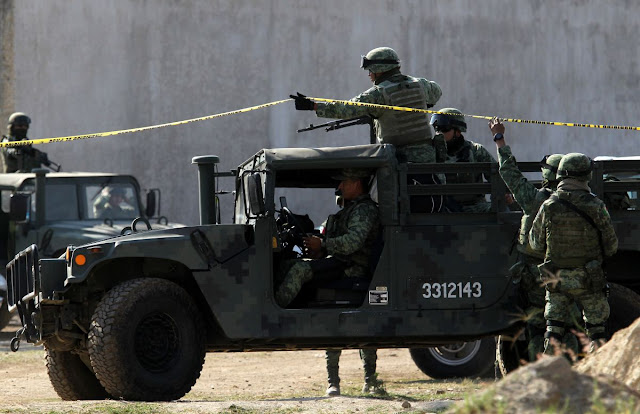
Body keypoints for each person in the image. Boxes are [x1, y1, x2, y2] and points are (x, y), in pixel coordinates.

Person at [274, 168, 383, 395]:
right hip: (339, 263)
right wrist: (318, 247)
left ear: (357, 183)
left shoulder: (365, 210)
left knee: (299, 271)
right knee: (291, 266)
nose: (340, 187)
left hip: (353, 270)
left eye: (344, 182)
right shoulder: (349, 210)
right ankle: (335, 381)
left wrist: (322, 245)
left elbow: (353, 242)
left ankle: (272, 314)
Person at [490, 117, 566, 359]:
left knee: (536, 321)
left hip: (535, 272)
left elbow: (510, 173)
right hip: (565, 271)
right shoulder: (576, 201)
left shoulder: (536, 201)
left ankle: (541, 365)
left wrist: (500, 139)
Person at [290, 46, 443, 164]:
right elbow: (437, 92)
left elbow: (347, 108)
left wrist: (314, 106)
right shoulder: (420, 84)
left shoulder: (378, 94)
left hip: (400, 160)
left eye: (370, 70)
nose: (369, 74)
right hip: (428, 159)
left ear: (379, 70)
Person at [529, 153, 618, 354]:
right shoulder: (596, 206)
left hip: (556, 279)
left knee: (554, 330)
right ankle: (600, 375)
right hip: (589, 278)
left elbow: (535, 244)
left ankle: (550, 374)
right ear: (586, 176)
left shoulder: (549, 206)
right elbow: (611, 246)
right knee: (597, 332)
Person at [430, 108, 497, 212]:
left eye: (444, 129)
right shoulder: (431, 152)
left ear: (458, 131)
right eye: (437, 129)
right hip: (442, 210)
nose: (439, 133)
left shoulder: (476, 151)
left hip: (475, 208)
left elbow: (497, 178)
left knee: (502, 210)